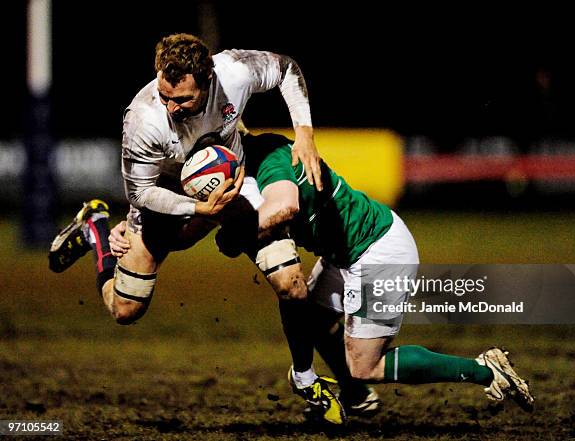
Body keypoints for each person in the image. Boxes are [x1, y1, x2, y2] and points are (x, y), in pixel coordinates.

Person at [48, 33, 371, 424]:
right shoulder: (142, 119)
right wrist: (197, 207)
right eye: (165, 95)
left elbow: (286, 68)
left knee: (291, 283)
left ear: (208, 81)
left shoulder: (233, 71)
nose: (171, 107)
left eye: (182, 99)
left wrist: (303, 130)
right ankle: (95, 230)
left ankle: (306, 380)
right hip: (168, 201)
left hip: (236, 187)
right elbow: (141, 193)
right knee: (125, 308)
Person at [215, 133, 536, 416]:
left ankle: (483, 370)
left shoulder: (269, 160)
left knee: (365, 366)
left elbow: (286, 205)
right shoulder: (251, 165)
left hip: (378, 249)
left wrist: (238, 235)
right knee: (312, 320)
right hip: (346, 253)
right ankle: (354, 396)